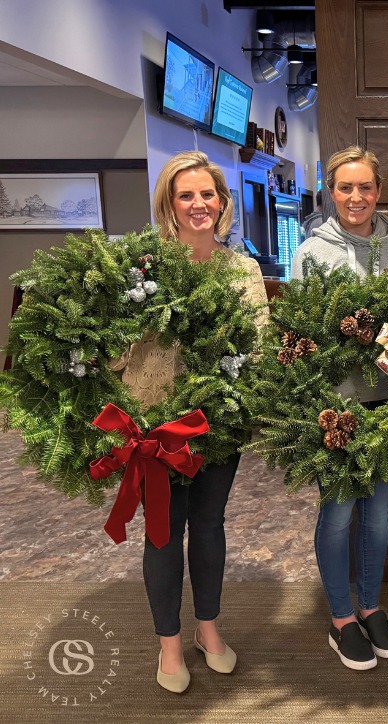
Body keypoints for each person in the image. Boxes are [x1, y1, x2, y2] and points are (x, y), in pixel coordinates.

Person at [112, 151, 269, 693]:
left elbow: (258, 347)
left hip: (219, 428)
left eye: (208, 195)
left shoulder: (243, 271)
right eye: (186, 196)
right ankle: (170, 644)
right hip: (155, 429)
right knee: (162, 532)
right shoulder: (143, 270)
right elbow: (114, 353)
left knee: (208, 526)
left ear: (222, 203)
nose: (199, 204)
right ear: (169, 204)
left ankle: (208, 627)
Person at [291, 145, 388, 671]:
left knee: (377, 515)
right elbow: (300, 333)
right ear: (331, 192)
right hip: (336, 409)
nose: (355, 196)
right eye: (345, 187)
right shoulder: (310, 253)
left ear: (379, 191)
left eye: (365, 186)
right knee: (339, 512)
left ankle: (370, 606)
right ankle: (341, 617)